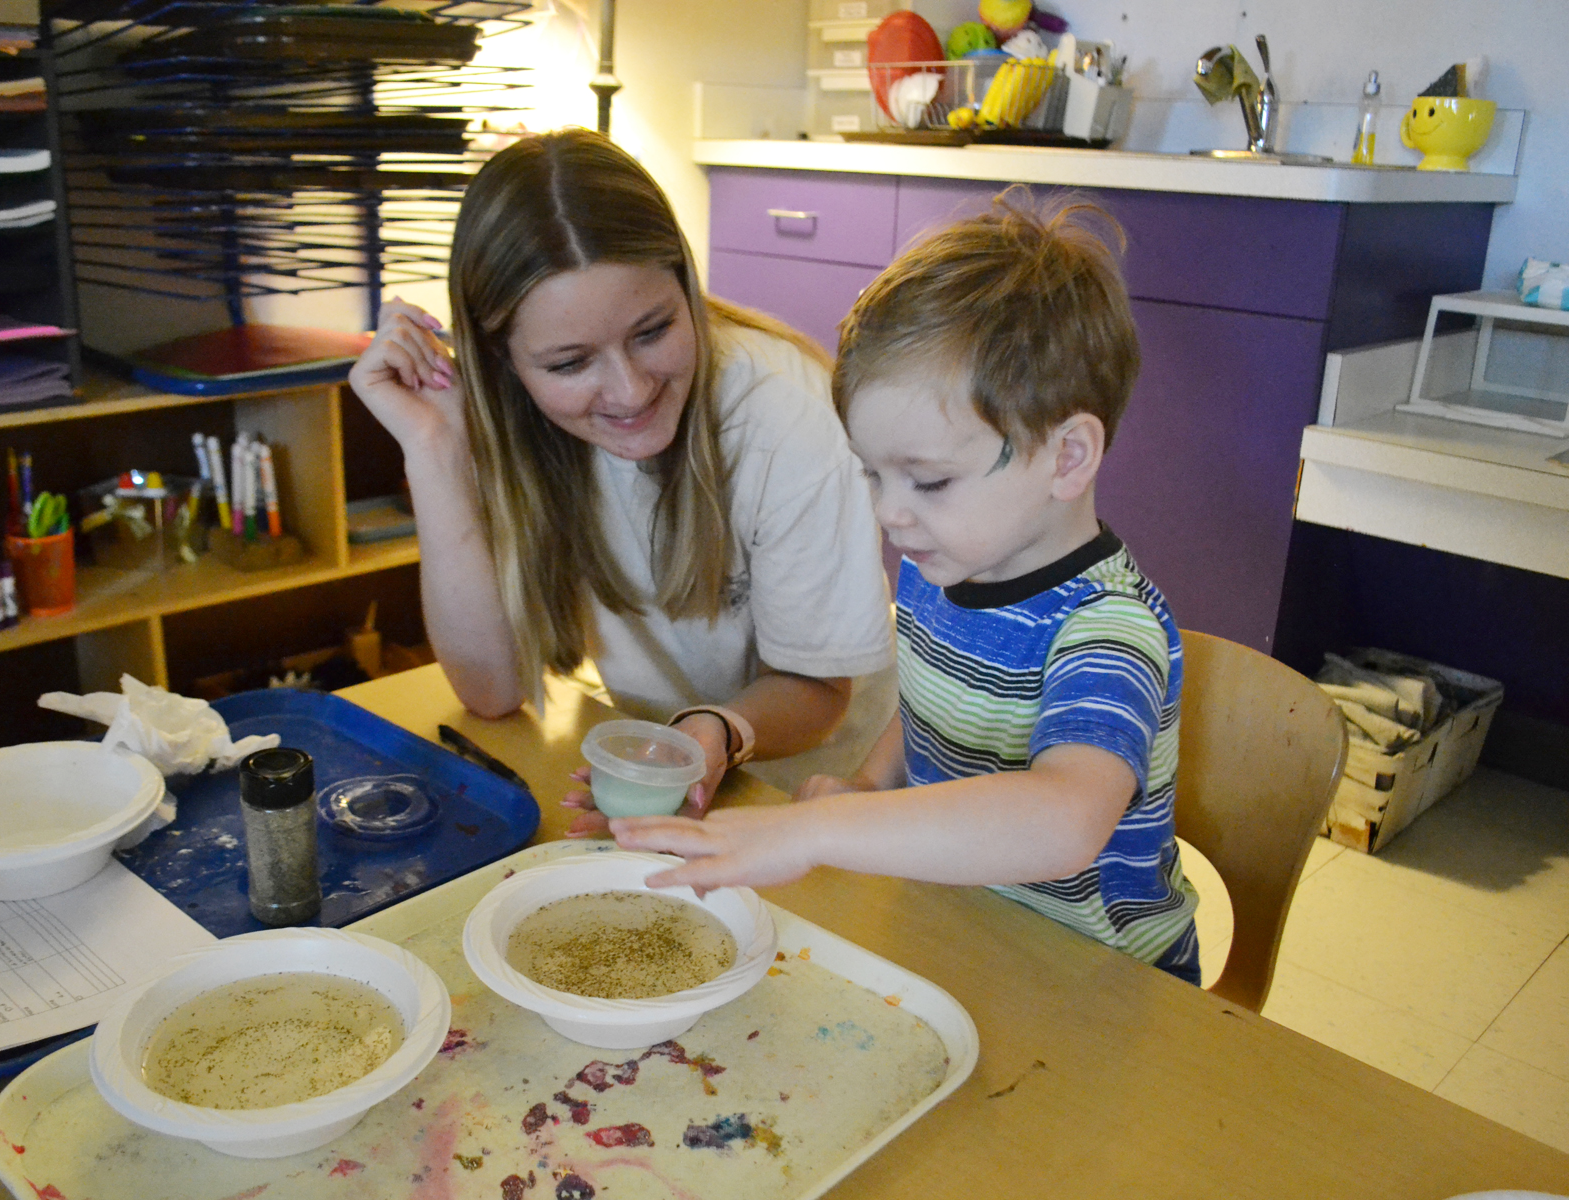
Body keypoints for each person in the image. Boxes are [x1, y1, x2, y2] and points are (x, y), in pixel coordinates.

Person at [613, 189, 1201, 983]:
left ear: (1067, 457)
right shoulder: (948, 562)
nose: (890, 513)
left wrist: (822, 832)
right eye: (874, 474)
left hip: (1102, 978)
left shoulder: (1105, 629)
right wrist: (868, 781)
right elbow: (929, 701)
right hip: (966, 923)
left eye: (927, 480)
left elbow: (1064, 819)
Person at [348, 129, 897, 825]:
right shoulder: (506, 422)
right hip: (673, 770)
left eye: (652, 330)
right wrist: (433, 448)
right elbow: (489, 690)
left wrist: (712, 736)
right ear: (505, 364)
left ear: (684, 285)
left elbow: (820, 692)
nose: (631, 390)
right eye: (570, 363)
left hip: (822, 791)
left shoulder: (784, 411)